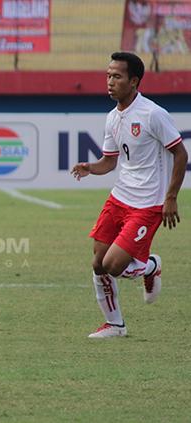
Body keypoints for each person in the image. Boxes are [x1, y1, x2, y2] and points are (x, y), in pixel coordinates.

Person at [71, 51, 187, 339]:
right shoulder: (113, 117)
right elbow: (110, 161)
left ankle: (150, 266)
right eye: (108, 76)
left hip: (148, 204)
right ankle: (115, 325)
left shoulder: (153, 114)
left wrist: (171, 197)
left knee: (113, 265)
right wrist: (90, 167)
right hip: (119, 197)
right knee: (98, 263)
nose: (110, 82)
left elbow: (180, 153)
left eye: (117, 76)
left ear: (134, 81)